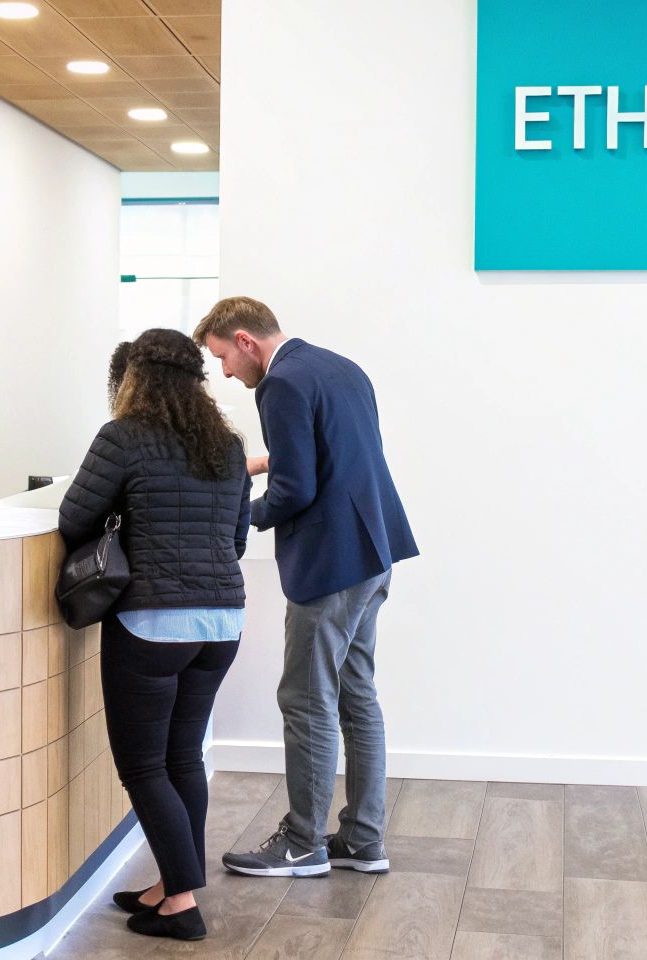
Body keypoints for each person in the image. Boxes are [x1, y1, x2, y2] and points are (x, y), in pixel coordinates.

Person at [196, 296, 418, 879]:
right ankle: (365, 840)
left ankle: (301, 842)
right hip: (373, 551)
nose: (224, 373)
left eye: (223, 358)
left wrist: (236, 516)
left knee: (305, 698)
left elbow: (298, 490)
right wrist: (263, 463)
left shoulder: (280, 386)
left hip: (330, 564)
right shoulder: (340, 367)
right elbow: (336, 456)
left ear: (245, 341)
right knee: (356, 696)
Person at [58, 329, 252, 942]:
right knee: (181, 758)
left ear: (133, 377)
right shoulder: (226, 445)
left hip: (150, 623)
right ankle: (171, 885)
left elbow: (73, 519)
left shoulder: (123, 437)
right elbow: (239, 537)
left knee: (143, 767)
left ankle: (183, 905)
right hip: (222, 621)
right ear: (195, 380)